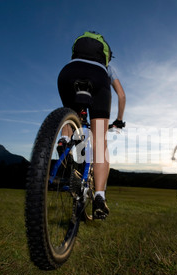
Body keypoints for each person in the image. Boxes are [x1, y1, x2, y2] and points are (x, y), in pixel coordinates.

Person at [57, 31, 126, 219]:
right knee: (100, 141)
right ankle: (99, 197)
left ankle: (63, 140)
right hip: (98, 78)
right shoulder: (106, 67)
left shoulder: (76, 58)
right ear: (104, 53)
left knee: (70, 113)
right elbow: (121, 95)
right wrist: (119, 121)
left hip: (67, 73)